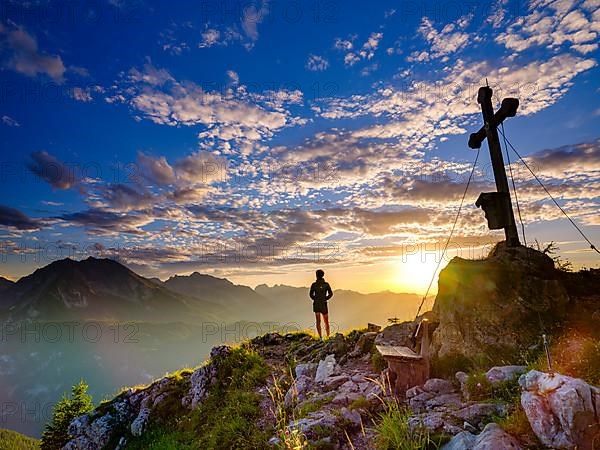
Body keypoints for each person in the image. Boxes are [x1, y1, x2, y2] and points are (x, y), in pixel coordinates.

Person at [309, 269, 333, 340]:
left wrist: (315, 299)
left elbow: (310, 294)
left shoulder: (314, 285)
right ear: (323, 275)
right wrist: (326, 298)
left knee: (318, 321)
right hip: (324, 304)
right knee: (326, 321)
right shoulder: (326, 284)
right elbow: (331, 293)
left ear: (316, 276)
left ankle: (320, 338)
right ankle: (328, 336)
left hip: (316, 305)